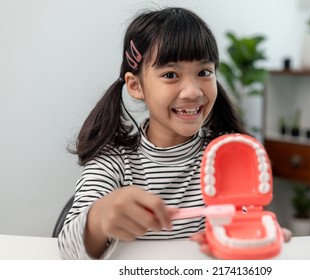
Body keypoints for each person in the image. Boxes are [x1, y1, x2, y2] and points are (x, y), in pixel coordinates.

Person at [58, 7, 290, 260]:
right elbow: (68, 251)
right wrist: (98, 219)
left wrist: (256, 238)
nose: (192, 91)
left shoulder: (225, 156)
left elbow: (242, 228)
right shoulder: (114, 162)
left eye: (204, 73)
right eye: (170, 75)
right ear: (136, 86)